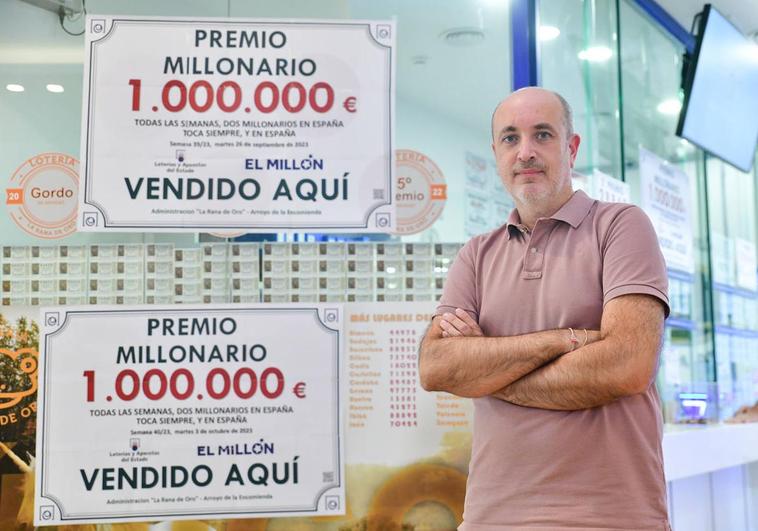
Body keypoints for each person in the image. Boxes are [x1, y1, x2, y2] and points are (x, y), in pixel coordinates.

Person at [419, 87, 671, 530]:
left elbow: (627, 365)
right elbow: (437, 367)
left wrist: (488, 374)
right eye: (511, 138)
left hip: (610, 517)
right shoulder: (476, 255)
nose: (526, 152)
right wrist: (566, 340)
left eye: (543, 135)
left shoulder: (621, 227)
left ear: (571, 148)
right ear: (496, 152)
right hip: (490, 518)